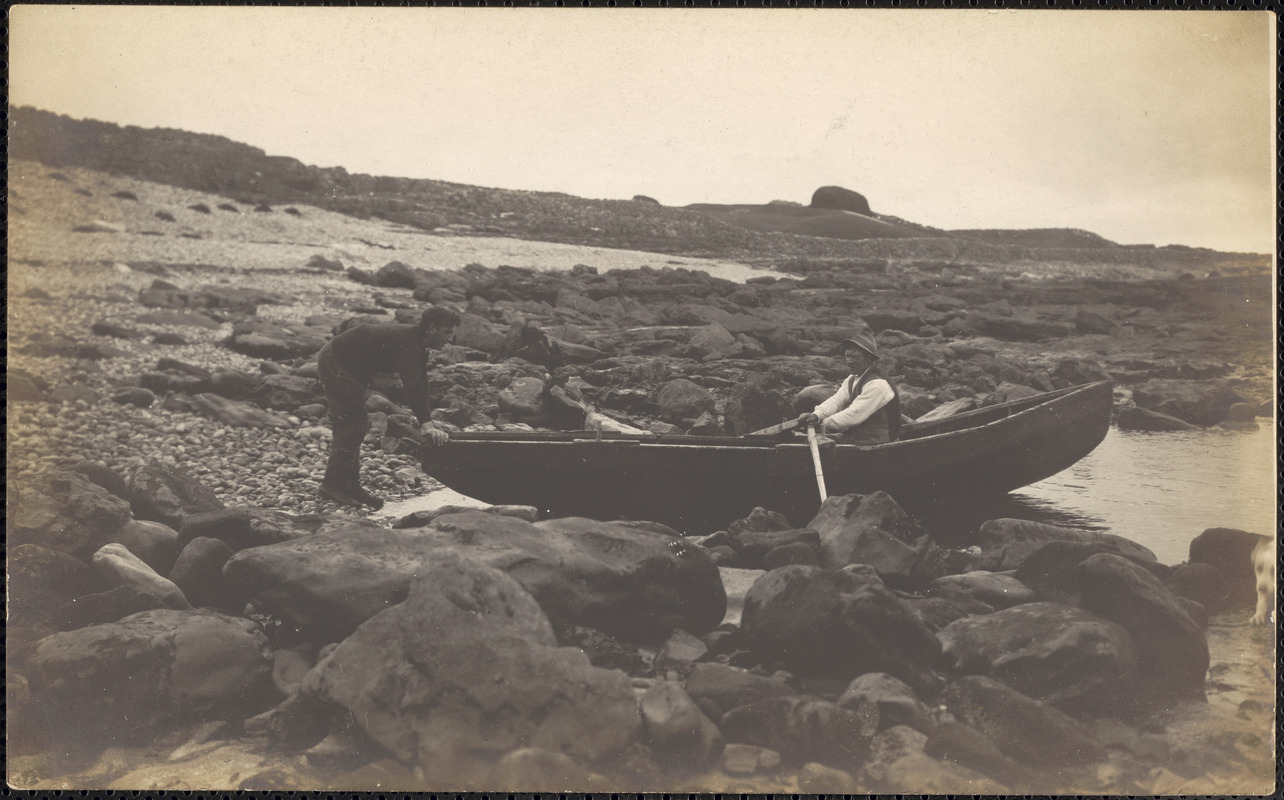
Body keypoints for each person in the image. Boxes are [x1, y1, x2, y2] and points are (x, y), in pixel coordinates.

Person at [316, 306, 460, 509]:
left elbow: (421, 382)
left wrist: (427, 419)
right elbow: (412, 385)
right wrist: (426, 425)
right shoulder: (409, 342)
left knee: (355, 423)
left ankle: (350, 485)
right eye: (446, 332)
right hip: (337, 362)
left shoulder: (420, 345)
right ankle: (332, 486)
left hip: (353, 368)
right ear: (431, 328)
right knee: (352, 425)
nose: (451, 339)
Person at [797, 330, 901, 445]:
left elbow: (854, 414)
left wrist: (823, 424)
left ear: (869, 359)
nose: (849, 361)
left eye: (855, 357)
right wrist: (816, 415)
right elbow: (837, 401)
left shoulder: (878, 384)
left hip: (878, 442)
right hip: (857, 438)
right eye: (847, 356)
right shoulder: (852, 379)